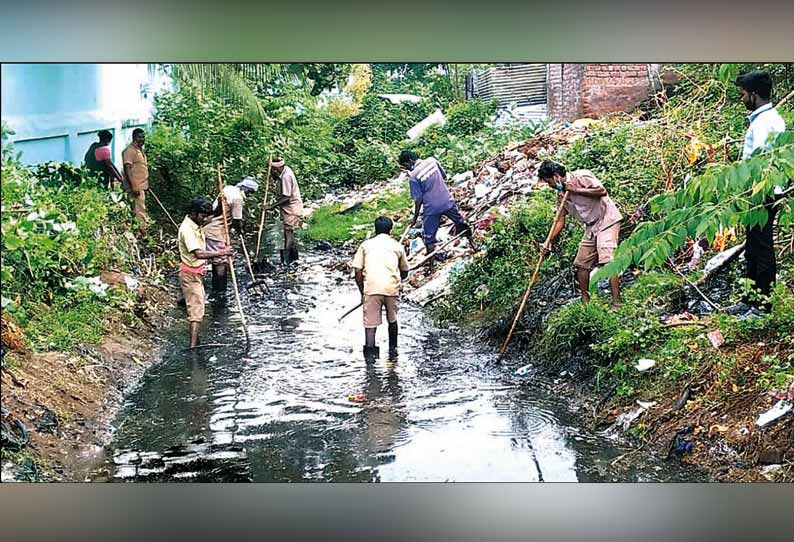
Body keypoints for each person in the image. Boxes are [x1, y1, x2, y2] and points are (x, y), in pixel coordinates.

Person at [724, 71, 787, 316]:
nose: (741, 99)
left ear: (754, 94)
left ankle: (763, 305)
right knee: (752, 246)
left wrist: (750, 191)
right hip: (755, 194)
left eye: (743, 94)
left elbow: (760, 165)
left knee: (762, 248)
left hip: (763, 192)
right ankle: (749, 299)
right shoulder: (761, 119)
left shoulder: (766, 122)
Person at [538, 160, 623, 308]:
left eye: (548, 181)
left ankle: (617, 303)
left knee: (608, 260)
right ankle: (585, 302)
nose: (549, 185)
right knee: (581, 264)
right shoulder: (561, 195)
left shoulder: (582, 176)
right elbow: (559, 221)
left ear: (556, 176)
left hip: (606, 220)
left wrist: (577, 190)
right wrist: (548, 241)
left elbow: (601, 191)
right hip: (590, 227)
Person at [398, 150, 476, 271]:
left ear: (410, 161)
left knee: (429, 238)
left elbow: (418, 199)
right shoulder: (432, 161)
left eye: (406, 166)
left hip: (431, 209)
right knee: (460, 222)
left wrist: (415, 217)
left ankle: (431, 267)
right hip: (447, 201)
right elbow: (444, 176)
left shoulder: (413, 177)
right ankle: (474, 245)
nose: (407, 168)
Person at [178, 197, 234, 348]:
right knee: (196, 311)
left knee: (198, 306)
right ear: (193, 213)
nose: (205, 220)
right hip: (190, 274)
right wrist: (222, 252)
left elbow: (211, 217)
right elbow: (199, 254)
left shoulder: (196, 223)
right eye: (202, 216)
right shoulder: (187, 230)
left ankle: (196, 340)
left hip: (197, 273)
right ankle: (193, 347)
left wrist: (221, 206)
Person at [351, 216, 410, 360]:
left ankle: (370, 360)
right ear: (390, 230)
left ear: (375, 229)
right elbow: (405, 271)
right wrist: (397, 282)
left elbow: (357, 272)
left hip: (371, 289)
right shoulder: (397, 246)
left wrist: (362, 291)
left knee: (370, 325)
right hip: (391, 288)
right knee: (392, 319)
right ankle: (393, 352)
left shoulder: (365, 245)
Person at [203, 176, 259, 294]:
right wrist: (240, 231)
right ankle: (220, 292)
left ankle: (216, 290)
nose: (249, 196)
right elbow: (237, 220)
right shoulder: (238, 198)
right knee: (221, 262)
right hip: (216, 231)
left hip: (209, 228)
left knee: (216, 261)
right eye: (250, 193)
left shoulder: (228, 189)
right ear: (247, 190)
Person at [266, 158, 303, 266]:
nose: (271, 173)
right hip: (290, 208)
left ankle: (286, 261)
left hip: (291, 208)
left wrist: (270, 207)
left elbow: (286, 197)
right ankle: (293, 259)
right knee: (289, 232)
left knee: (288, 232)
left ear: (276, 168)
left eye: (272, 170)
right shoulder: (285, 171)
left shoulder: (286, 177)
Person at [122, 128, 150, 226]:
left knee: (140, 209)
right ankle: (143, 235)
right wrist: (134, 185)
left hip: (142, 186)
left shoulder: (140, 150)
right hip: (135, 187)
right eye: (139, 137)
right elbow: (127, 168)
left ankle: (139, 231)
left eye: (143, 137)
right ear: (134, 137)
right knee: (140, 211)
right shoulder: (129, 151)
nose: (142, 139)